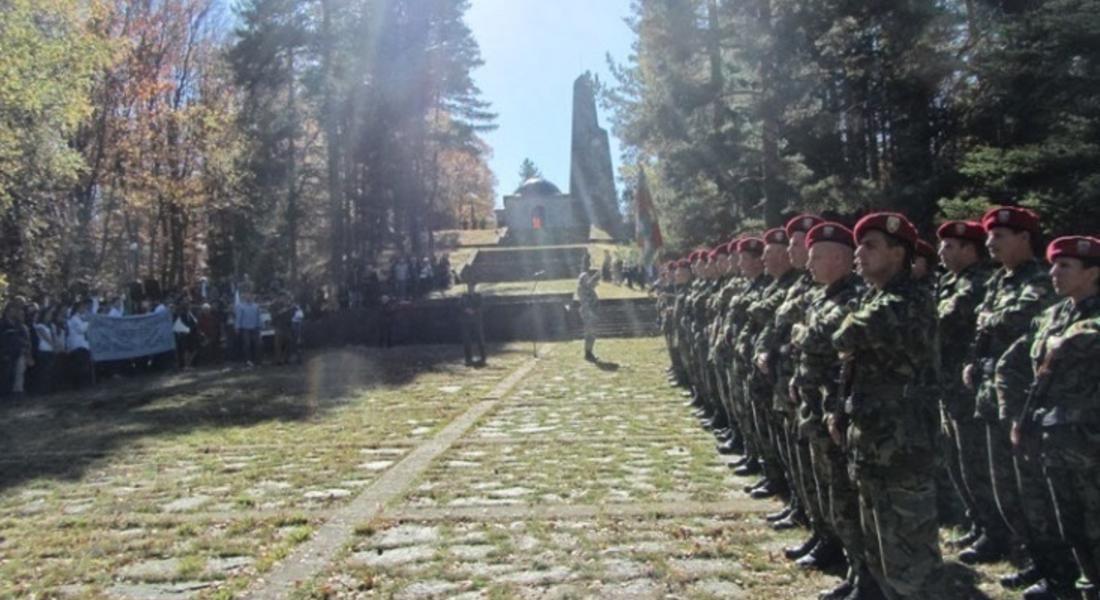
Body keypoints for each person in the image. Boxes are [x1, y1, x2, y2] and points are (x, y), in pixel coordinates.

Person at [832, 212, 943, 599]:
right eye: (859, 245)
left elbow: (844, 333)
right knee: (879, 544)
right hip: (873, 437)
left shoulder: (906, 300)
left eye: (870, 245)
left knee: (911, 555)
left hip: (903, 443)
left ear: (898, 253)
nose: (859, 253)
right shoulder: (874, 298)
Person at [1003, 235, 1100, 600]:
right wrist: (1013, 414)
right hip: (1053, 439)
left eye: (1065, 266)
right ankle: (1079, 585)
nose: (1054, 272)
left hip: (1091, 440)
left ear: (1093, 273)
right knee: (1069, 524)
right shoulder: (1051, 315)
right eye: (1053, 264)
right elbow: (1012, 363)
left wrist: (1072, 336)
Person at [66, 299, 94, 389]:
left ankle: (86, 384)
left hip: (84, 345)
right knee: (81, 366)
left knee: (85, 365)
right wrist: (88, 323)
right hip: (78, 345)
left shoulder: (81, 318)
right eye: (82, 307)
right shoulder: (74, 319)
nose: (84, 309)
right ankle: (80, 385)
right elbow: (81, 329)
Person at [458, 281, 486, 366]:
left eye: (472, 287)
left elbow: (481, 306)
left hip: (476, 320)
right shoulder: (463, 296)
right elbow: (460, 306)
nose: (470, 289)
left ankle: (483, 357)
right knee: (467, 340)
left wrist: (474, 311)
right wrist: (465, 310)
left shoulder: (478, 296)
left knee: (480, 339)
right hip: (466, 321)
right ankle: (468, 358)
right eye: (469, 287)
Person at [576, 268, 601, 361]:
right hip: (588, 313)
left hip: (592, 311)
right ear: (582, 280)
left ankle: (590, 352)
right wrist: (591, 314)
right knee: (589, 334)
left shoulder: (587, 286)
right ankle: (588, 353)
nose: (588, 279)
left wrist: (598, 273)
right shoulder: (582, 289)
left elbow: (594, 280)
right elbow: (585, 303)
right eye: (586, 278)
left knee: (593, 334)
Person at [235, 291, 262, 367]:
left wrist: (260, 326)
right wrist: (237, 327)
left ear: (252, 296)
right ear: (244, 297)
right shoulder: (240, 306)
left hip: (255, 328)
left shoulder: (256, 306)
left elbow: (258, 317)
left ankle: (258, 361)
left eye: (250, 295)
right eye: (247, 295)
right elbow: (238, 317)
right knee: (247, 345)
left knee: (258, 344)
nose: (248, 297)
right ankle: (248, 361)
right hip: (245, 328)